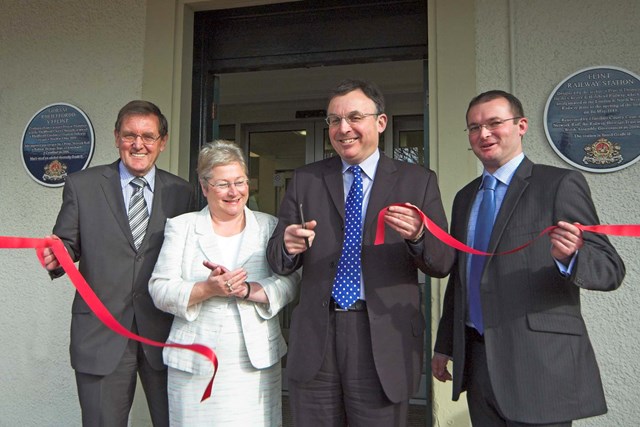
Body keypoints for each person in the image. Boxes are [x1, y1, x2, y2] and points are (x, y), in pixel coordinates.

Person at [266, 79, 455, 426]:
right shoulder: (307, 179)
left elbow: (442, 262)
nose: (343, 128)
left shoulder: (418, 180)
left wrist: (418, 235)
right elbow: (278, 260)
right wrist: (286, 245)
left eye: (354, 117)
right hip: (317, 339)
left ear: (380, 122)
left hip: (382, 340)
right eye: (334, 120)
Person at [432, 90, 626, 426]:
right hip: (478, 362)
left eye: (494, 123)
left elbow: (610, 268)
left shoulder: (559, 184)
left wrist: (571, 256)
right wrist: (445, 344)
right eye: (474, 128)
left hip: (539, 366)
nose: (484, 134)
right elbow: (462, 277)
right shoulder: (465, 198)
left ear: (521, 125)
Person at [40, 100, 195, 426]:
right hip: (100, 333)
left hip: (165, 334)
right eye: (130, 135)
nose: (138, 144)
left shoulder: (183, 193)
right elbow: (66, 245)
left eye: (148, 136)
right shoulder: (82, 186)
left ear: (162, 142)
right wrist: (56, 258)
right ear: (116, 137)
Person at [149, 140, 299, 426]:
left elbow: (291, 280)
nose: (234, 192)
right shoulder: (182, 227)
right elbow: (159, 288)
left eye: (240, 182)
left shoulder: (269, 226)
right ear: (205, 188)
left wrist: (249, 290)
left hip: (254, 362)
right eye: (223, 184)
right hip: (195, 363)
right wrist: (207, 289)